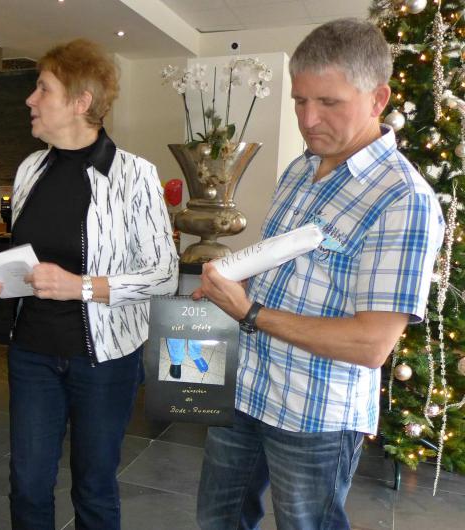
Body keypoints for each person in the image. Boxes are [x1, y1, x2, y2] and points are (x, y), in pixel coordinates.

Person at [192, 19, 444, 530]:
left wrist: (250, 312)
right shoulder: (300, 170)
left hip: (316, 417)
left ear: (378, 99)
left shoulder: (404, 200)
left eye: (329, 102)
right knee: (217, 520)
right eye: (300, 100)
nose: (309, 119)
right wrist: (235, 283)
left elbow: (371, 345)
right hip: (247, 390)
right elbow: (282, 270)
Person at [0, 39, 178, 529]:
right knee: (27, 484)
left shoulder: (135, 175)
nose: (30, 99)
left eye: (43, 89)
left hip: (104, 361)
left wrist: (81, 287)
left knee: (94, 486)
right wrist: (3, 281)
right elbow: (35, 261)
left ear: (81, 102)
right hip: (32, 353)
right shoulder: (29, 169)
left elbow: (165, 276)